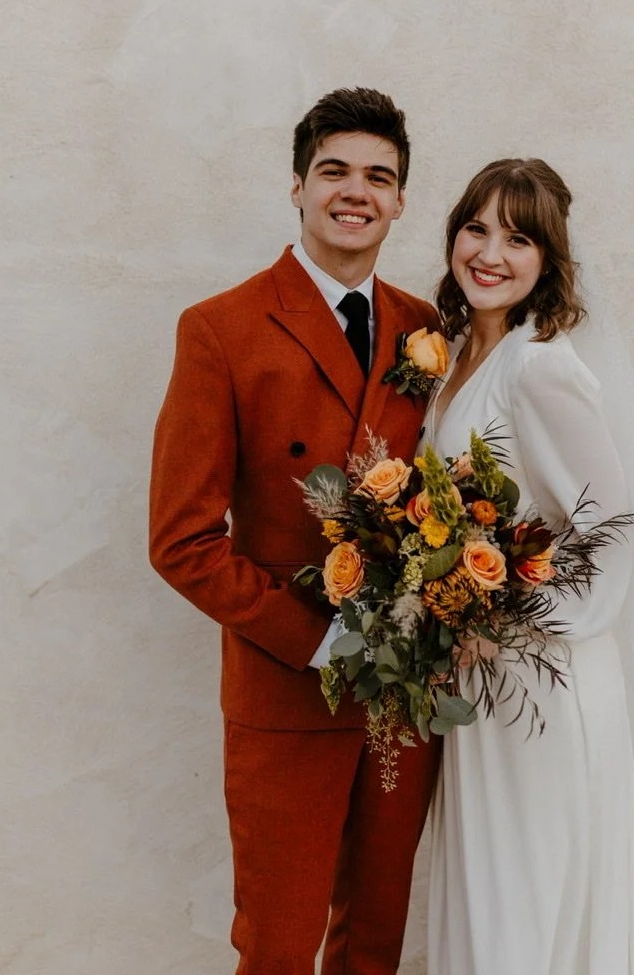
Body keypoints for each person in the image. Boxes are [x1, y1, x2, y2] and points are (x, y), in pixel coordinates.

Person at [423, 158, 634, 975]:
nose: (490, 252)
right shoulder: (461, 358)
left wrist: (500, 620)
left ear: (548, 261)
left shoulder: (538, 366)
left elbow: (610, 525)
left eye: (518, 237)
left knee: (537, 890)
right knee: (498, 886)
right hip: (484, 687)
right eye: (477, 227)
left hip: (540, 680)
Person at [149, 87, 441, 975]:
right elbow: (181, 540)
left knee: (376, 940)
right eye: (334, 172)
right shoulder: (220, 328)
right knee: (277, 944)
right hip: (286, 688)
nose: (355, 192)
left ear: (399, 200)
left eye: (378, 177)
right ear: (297, 186)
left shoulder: (425, 328)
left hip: (402, 697)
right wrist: (318, 639)